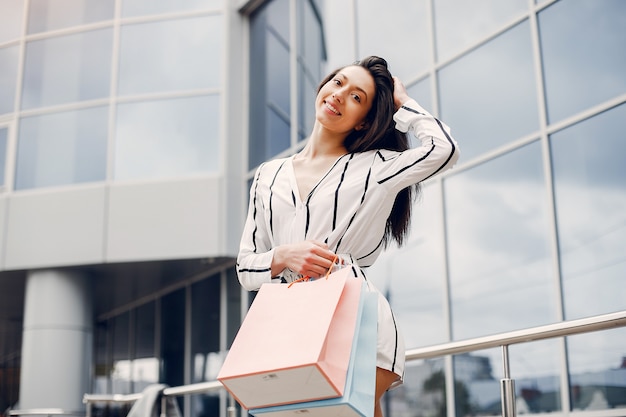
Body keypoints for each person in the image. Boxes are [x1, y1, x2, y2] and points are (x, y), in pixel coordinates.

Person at [236, 56, 459, 417]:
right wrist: (283, 256)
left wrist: (403, 106)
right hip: (290, 328)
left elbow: (444, 150)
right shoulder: (268, 175)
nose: (340, 95)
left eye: (357, 97)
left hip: (355, 323)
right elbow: (246, 270)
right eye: (338, 83)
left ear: (365, 122)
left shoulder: (376, 167)